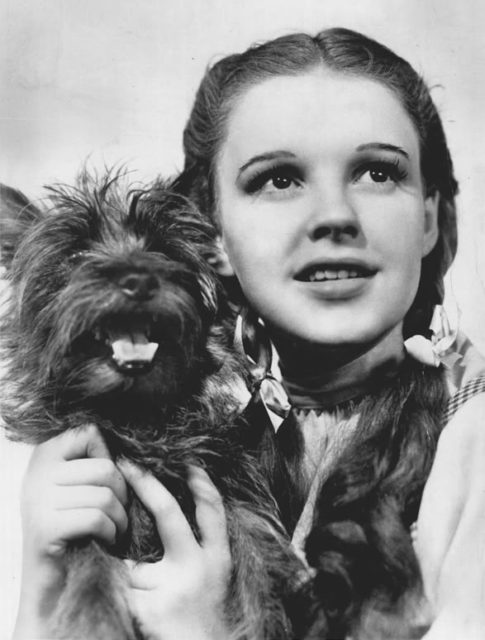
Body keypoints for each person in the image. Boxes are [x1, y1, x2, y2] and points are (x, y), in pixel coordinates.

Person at [11, 27, 485, 640]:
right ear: (213, 240)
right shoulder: (223, 447)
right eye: (279, 179)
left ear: (428, 218)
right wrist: (42, 584)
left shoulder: (472, 441)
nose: (335, 216)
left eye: (375, 172)